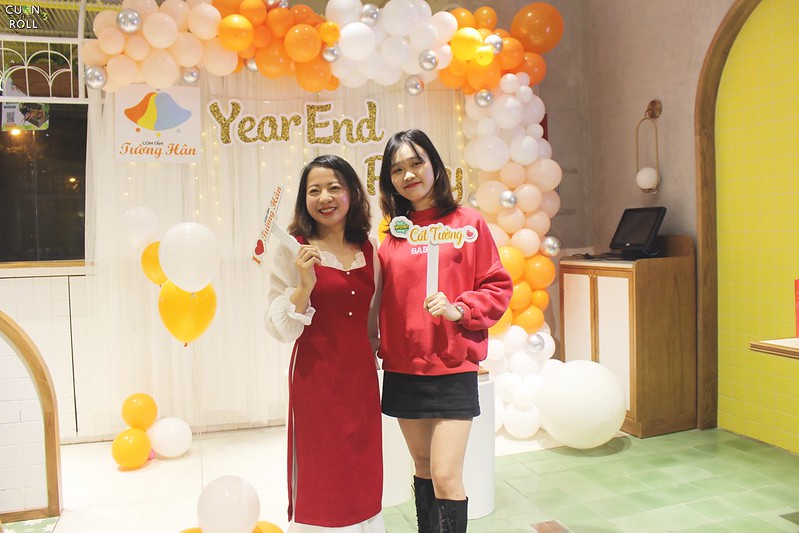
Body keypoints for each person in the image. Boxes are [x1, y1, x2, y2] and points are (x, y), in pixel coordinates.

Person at [377, 130, 512, 533]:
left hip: (453, 367)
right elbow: (380, 297)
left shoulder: (468, 224)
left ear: (434, 165)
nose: (408, 175)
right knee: (422, 468)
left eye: (416, 163)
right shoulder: (393, 234)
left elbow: (497, 286)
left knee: (446, 475)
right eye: (397, 169)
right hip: (404, 368)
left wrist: (460, 309)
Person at [265, 154, 384, 532]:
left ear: (352, 193)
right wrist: (304, 284)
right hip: (315, 378)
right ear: (304, 200)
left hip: (361, 379)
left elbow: (373, 319)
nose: (325, 197)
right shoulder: (293, 250)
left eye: (334, 187)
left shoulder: (370, 249)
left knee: (361, 467)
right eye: (314, 190)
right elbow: (278, 328)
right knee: (321, 471)